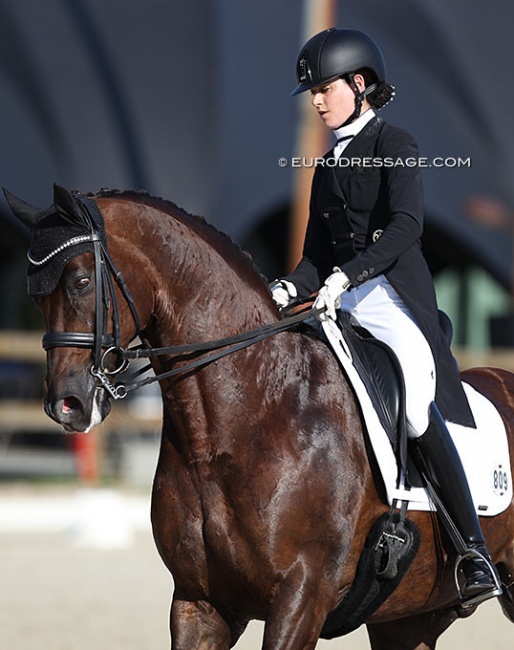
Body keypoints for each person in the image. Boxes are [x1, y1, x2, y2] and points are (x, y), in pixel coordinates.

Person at [271, 27, 501, 605]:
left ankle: (472, 549)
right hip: (338, 300)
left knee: (418, 408)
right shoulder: (324, 165)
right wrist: (280, 289)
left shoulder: (394, 142)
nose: (318, 100)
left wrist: (347, 276)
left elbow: (406, 227)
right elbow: (315, 258)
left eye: (326, 88)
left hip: (393, 300)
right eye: (313, 92)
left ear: (360, 84)